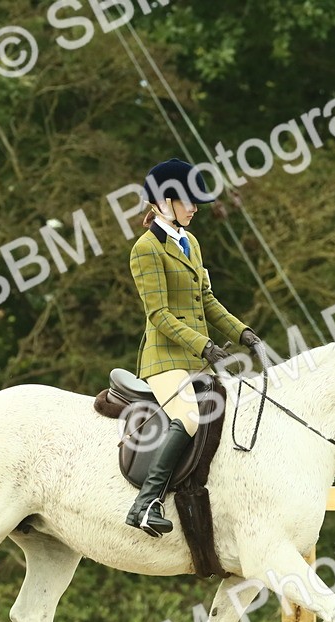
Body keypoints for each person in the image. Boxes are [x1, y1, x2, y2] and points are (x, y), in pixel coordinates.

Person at [125, 158, 262, 536]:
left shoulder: (191, 243)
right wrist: (205, 347)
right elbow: (160, 315)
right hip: (165, 359)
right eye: (189, 201)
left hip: (196, 357)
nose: (196, 207)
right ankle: (145, 503)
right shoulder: (146, 249)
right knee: (186, 418)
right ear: (165, 202)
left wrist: (243, 333)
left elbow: (207, 302)